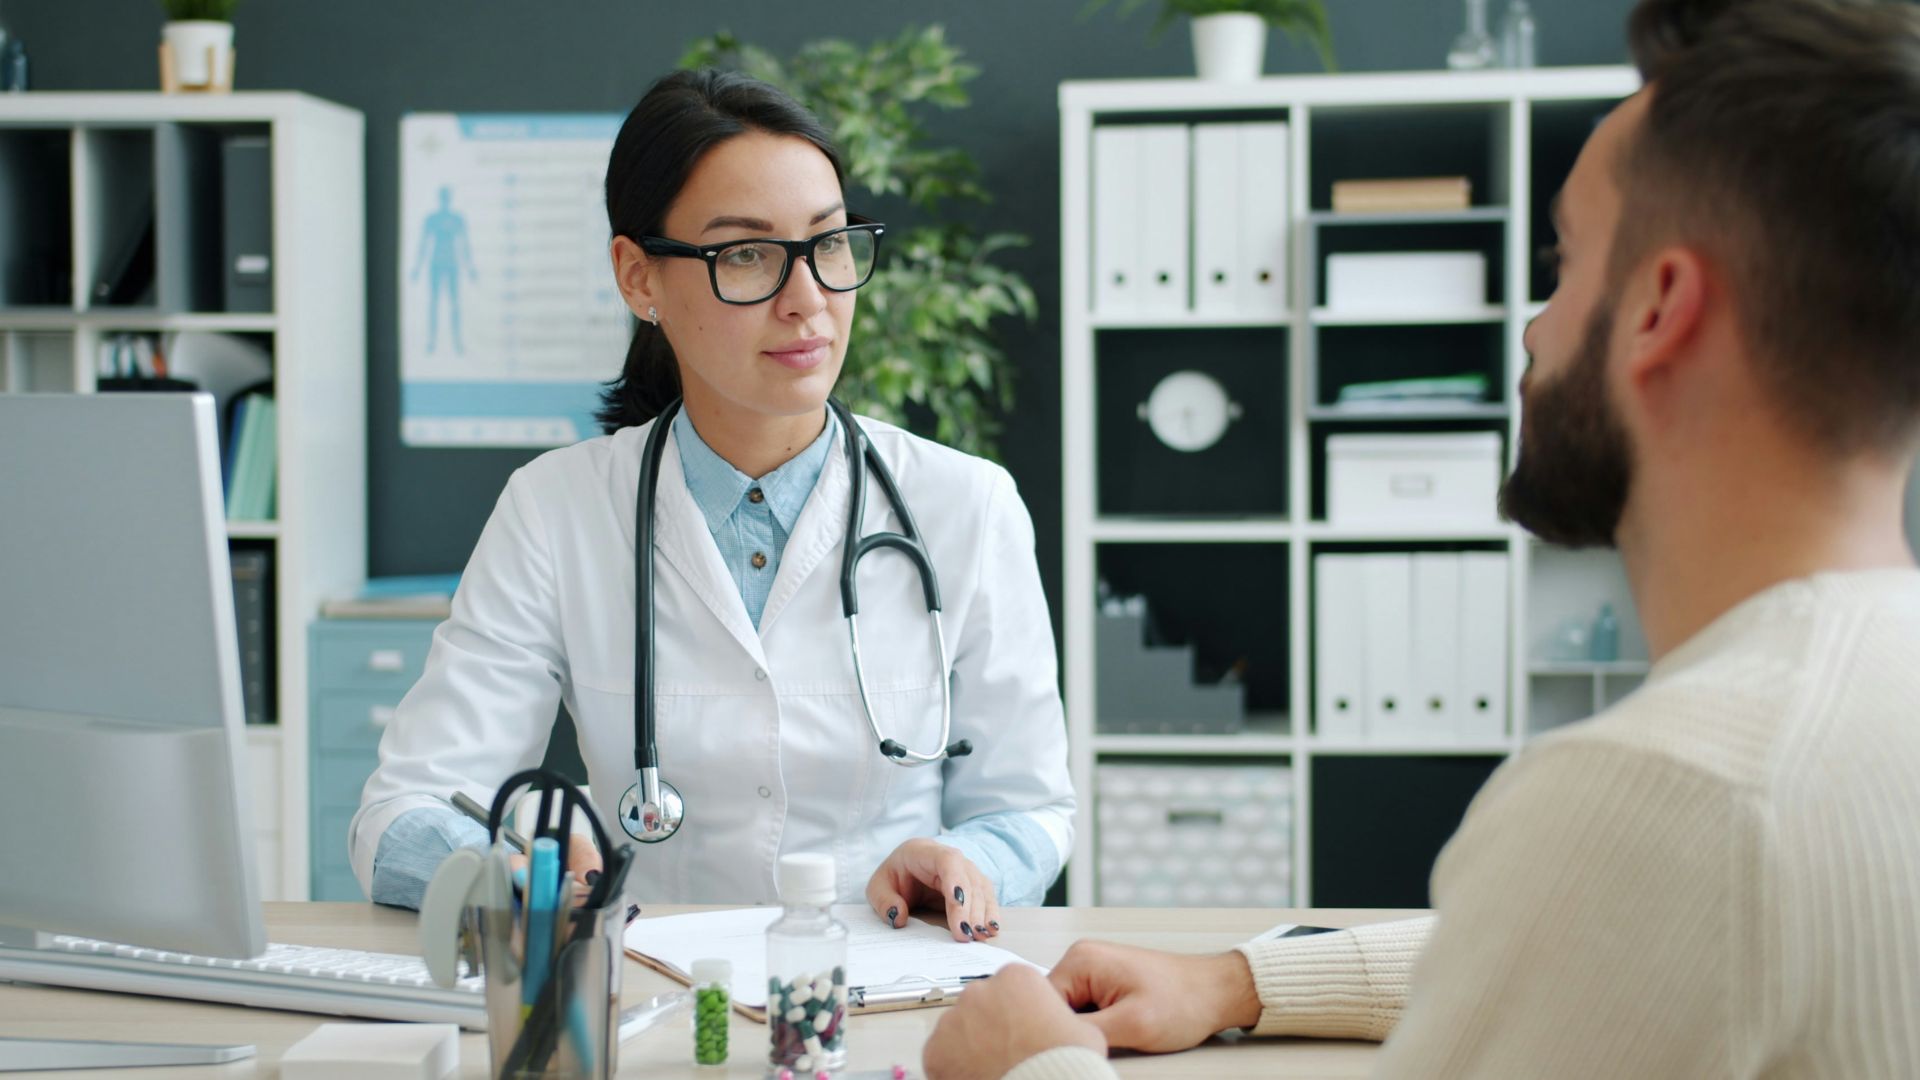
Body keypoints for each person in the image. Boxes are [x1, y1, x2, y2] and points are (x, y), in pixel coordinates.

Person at [925, 0, 1920, 1074]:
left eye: (1565, 259)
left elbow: (1644, 883)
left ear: (1659, 309)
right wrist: (1238, 979)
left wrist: (1032, 1065)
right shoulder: (1798, 758)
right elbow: (1591, 945)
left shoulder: (1673, 796)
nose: (1533, 324)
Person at [351, 69, 1075, 943]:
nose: (808, 298)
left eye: (831, 243)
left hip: (897, 987)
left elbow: (1031, 808)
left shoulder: (966, 505)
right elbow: (404, 808)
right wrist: (506, 875)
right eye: (746, 255)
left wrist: (974, 866)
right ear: (638, 277)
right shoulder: (557, 509)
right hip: (647, 991)